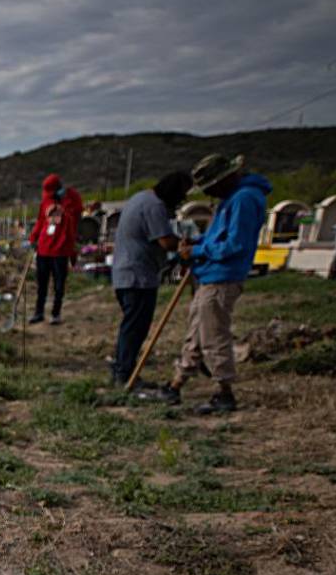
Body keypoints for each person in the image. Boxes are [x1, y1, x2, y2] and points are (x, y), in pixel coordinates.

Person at [154, 154, 271, 415]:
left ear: (226, 178)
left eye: (211, 187)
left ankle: (224, 392)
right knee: (196, 334)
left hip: (222, 276)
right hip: (209, 275)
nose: (209, 192)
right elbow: (218, 235)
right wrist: (197, 246)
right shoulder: (232, 199)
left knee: (214, 336)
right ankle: (176, 384)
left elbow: (234, 244)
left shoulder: (244, 199)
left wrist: (197, 252)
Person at [108, 172, 191, 386]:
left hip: (126, 273)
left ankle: (122, 368)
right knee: (135, 327)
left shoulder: (141, 197)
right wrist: (188, 244)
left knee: (131, 325)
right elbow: (165, 241)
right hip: (137, 276)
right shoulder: (154, 206)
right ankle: (125, 374)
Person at [27, 174, 79, 324]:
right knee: (41, 284)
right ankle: (39, 312)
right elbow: (40, 222)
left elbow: (71, 231)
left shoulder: (69, 203)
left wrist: (72, 253)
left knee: (58, 284)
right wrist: (33, 238)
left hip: (60, 252)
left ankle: (56, 314)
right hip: (44, 250)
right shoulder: (45, 203)